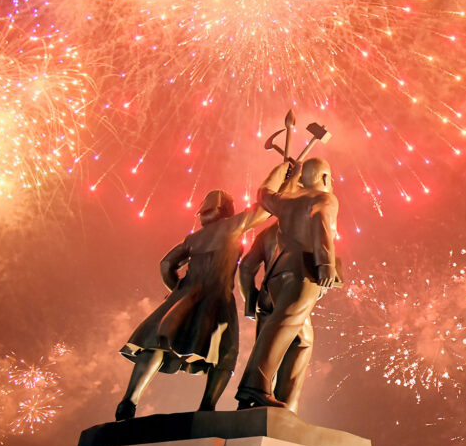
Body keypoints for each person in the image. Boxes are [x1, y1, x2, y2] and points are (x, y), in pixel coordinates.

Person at [114, 167, 285, 421]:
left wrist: (178, 291)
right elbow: (265, 209)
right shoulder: (232, 226)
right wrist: (283, 180)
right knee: (225, 354)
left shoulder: (193, 238)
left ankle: (129, 401)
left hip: (185, 295)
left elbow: (166, 264)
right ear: (226, 209)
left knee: (156, 345)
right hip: (217, 298)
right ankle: (207, 408)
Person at [235, 157, 340, 409]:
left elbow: (264, 194)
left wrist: (284, 172)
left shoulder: (285, 202)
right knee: (284, 326)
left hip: (274, 278)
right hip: (302, 272)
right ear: (325, 178)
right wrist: (326, 264)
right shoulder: (325, 198)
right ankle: (255, 386)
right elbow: (321, 221)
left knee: (302, 338)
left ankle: (284, 404)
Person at [238, 220, 315, 413]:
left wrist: (250, 300)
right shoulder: (306, 222)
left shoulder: (266, 233)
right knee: (302, 341)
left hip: (266, 294)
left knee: (267, 343)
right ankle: (285, 407)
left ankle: (249, 404)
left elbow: (246, 266)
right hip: (290, 288)